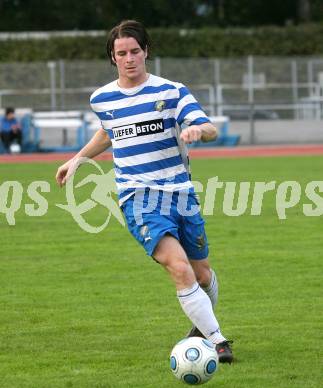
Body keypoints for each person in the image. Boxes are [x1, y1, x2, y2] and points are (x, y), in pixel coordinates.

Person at [56, 20, 233, 363]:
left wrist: (198, 130)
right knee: (178, 267)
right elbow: (109, 133)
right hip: (137, 197)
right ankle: (219, 341)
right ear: (113, 57)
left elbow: (207, 126)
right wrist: (76, 159)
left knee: (202, 274)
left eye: (135, 51)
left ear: (146, 51)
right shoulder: (102, 98)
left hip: (180, 194)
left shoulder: (171, 91)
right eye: (121, 53)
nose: (129, 59)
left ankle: (202, 329)